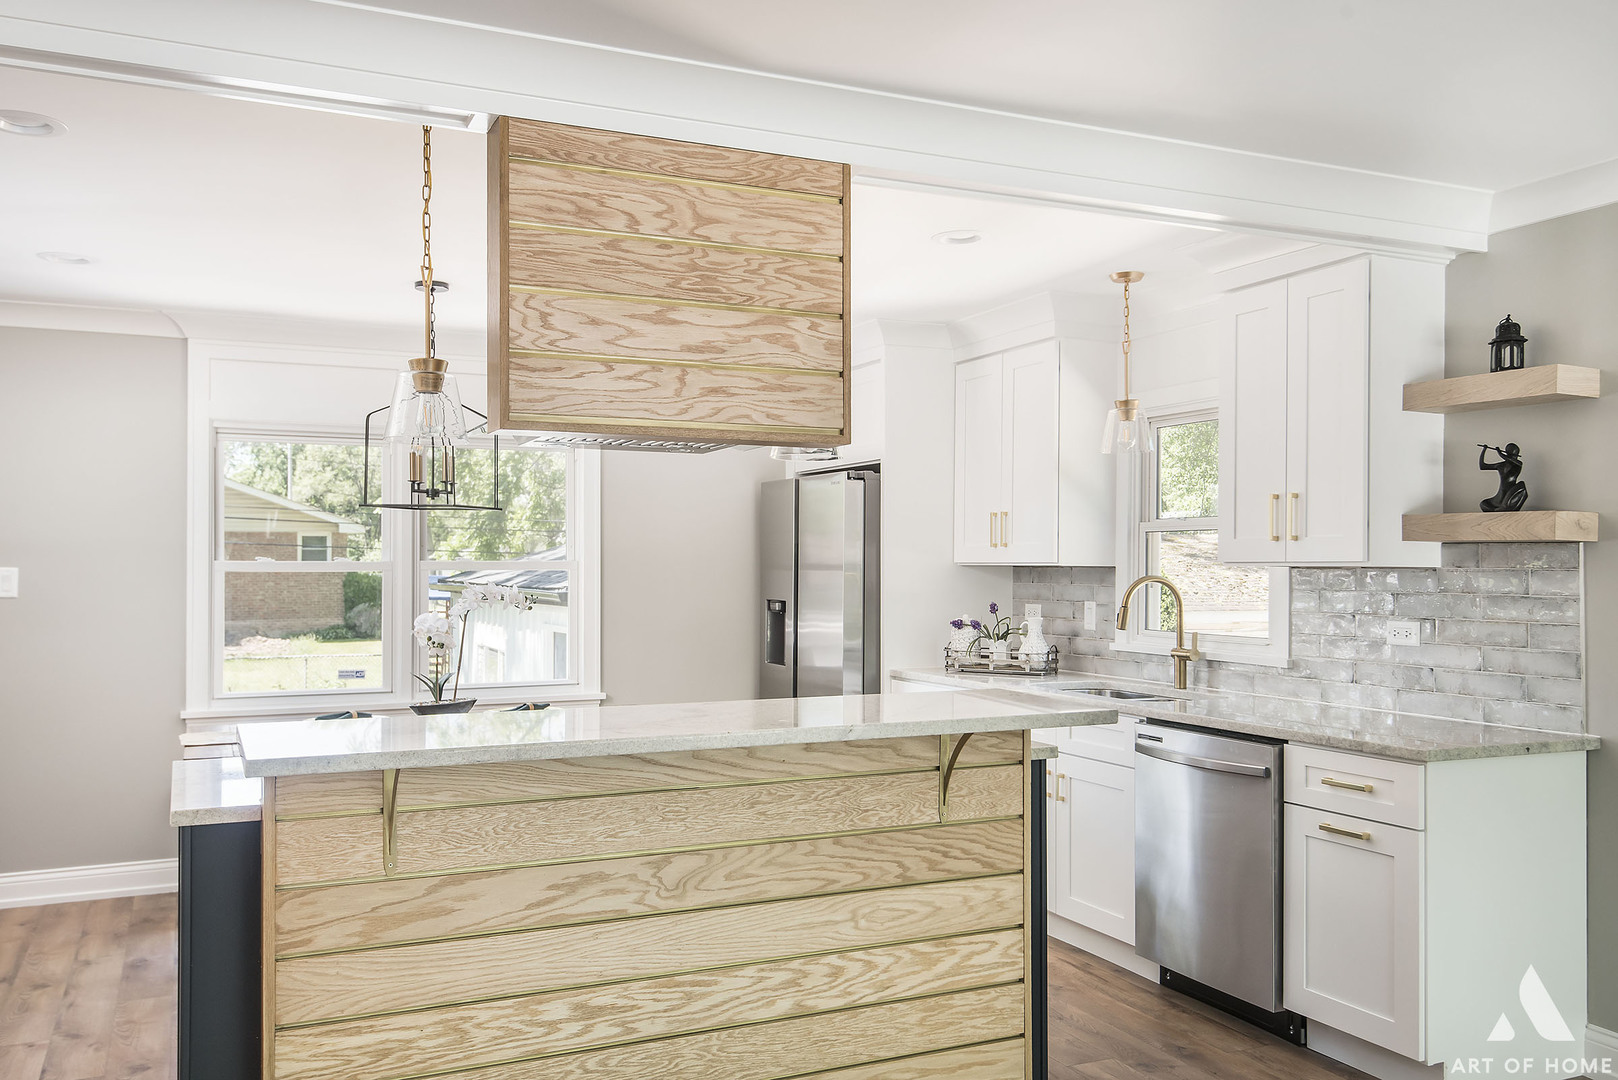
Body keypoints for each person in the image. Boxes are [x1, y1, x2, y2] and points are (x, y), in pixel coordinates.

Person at [1478, 443, 1528, 513]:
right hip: (1501, 493)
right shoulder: (1501, 465)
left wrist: (1500, 453)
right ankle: (1501, 507)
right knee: (1484, 504)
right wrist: (1484, 450)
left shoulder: (1518, 464)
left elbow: (1510, 460)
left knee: (1521, 486)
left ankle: (1504, 507)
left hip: (1511, 491)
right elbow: (1483, 466)